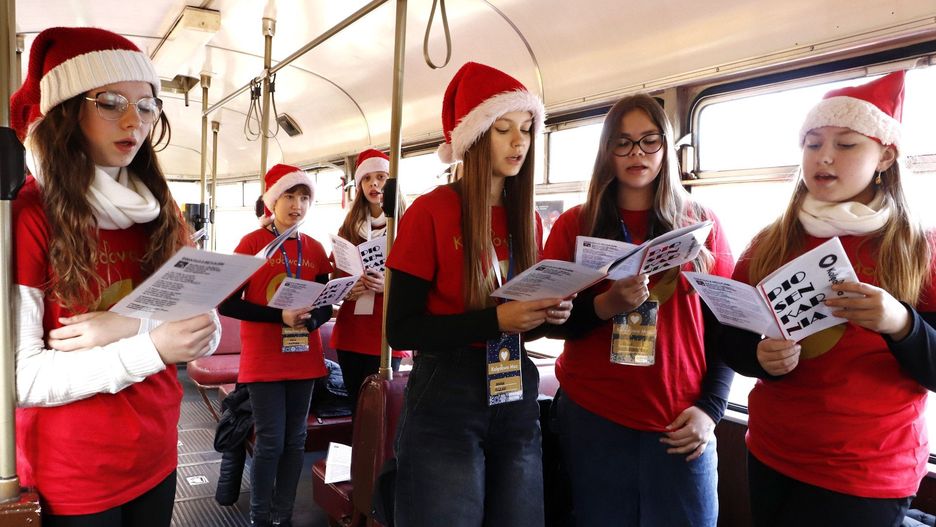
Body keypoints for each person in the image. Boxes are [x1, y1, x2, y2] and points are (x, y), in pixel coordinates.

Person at [9, 27, 220, 526]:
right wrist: (152, 347)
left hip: (156, 454)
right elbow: (21, 378)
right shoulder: (30, 216)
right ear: (65, 113)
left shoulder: (162, 210)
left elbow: (204, 328)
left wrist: (126, 326)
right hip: (73, 476)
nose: (134, 120)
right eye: (109, 102)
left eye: (147, 105)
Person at [719, 71, 936, 527]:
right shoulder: (771, 241)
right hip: (772, 450)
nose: (825, 157)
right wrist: (759, 357)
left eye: (847, 144)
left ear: (886, 156)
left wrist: (901, 324)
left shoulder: (920, 249)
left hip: (868, 471)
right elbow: (726, 335)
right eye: (813, 143)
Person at [385, 61, 573, 526]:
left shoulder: (526, 219)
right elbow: (400, 329)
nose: (519, 142)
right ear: (474, 139)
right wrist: (497, 322)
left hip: (513, 383)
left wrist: (549, 315)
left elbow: (518, 323)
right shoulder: (430, 212)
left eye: (527, 130)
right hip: (445, 387)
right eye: (503, 129)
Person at [541, 94, 735, 526]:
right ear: (606, 152)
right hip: (594, 414)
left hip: (680, 420)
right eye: (623, 143)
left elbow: (727, 326)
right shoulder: (577, 224)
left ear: (666, 147)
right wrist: (606, 305)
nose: (637, 154)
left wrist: (712, 408)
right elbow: (550, 324)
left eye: (649, 141)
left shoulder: (703, 224)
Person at [218, 164, 334, 527]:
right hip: (264, 359)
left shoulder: (315, 248)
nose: (297, 205)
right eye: (289, 196)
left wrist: (313, 319)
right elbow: (228, 304)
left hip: (304, 358)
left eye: (304, 197)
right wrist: (279, 318)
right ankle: (260, 517)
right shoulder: (251, 245)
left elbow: (326, 303)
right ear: (273, 200)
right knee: (271, 441)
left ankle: (283, 515)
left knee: (296, 440)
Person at [330, 149, 406, 411]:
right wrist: (349, 288)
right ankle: (357, 453)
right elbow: (335, 280)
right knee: (356, 407)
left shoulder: (406, 226)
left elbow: (422, 282)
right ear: (360, 185)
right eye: (367, 179)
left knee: (381, 411)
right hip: (352, 329)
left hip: (386, 332)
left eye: (381, 177)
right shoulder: (349, 228)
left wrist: (388, 285)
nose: (374, 184)